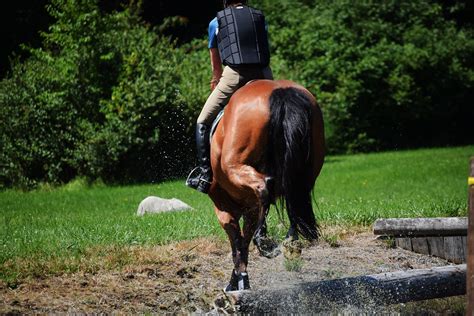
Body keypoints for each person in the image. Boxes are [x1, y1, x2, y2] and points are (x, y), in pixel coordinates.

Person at [186, 0, 273, 193]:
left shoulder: (215, 22)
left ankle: (205, 175)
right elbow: (264, 46)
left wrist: (216, 79)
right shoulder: (259, 17)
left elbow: (215, 62)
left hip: (235, 74)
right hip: (263, 72)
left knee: (202, 120)